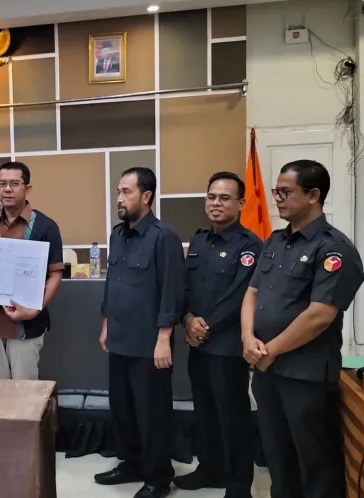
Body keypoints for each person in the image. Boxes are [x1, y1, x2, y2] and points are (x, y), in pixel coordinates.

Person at [241, 160, 364, 498]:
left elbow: (319, 316)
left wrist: (270, 350)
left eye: (286, 192)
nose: (278, 199)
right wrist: (247, 338)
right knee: (277, 455)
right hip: (266, 370)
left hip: (305, 375)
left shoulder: (334, 248)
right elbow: (252, 293)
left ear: (313, 195)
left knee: (314, 461)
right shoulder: (275, 241)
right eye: (276, 191)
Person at [95, 167, 184, 498]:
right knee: (123, 410)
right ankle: (131, 463)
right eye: (118, 191)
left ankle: (159, 478)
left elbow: (172, 291)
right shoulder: (117, 235)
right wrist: (106, 323)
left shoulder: (164, 237)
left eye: (127, 192)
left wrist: (163, 339)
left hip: (149, 344)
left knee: (152, 414)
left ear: (146, 196)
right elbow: (113, 283)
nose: (119, 198)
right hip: (120, 338)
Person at [174, 172, 262, 498]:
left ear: (240, 203)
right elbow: (186, 288)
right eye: (211, 197)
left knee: (233, 416)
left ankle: (239, 485)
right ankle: (210, 469)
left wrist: (204, 326)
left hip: (227, 348)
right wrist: (187, 319)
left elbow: (241, 296)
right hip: (197, 345)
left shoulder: (251, 245)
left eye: (225, 198)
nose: (216, 203)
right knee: (205, 413)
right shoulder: (198, 241)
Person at [0, 161, 64, 380]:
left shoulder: (45, 226)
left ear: (27, 188)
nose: (7, 189)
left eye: (14, 183)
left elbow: (55, 274)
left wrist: (35, 309)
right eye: (2, 184)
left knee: (25, 389)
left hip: (26, 323)